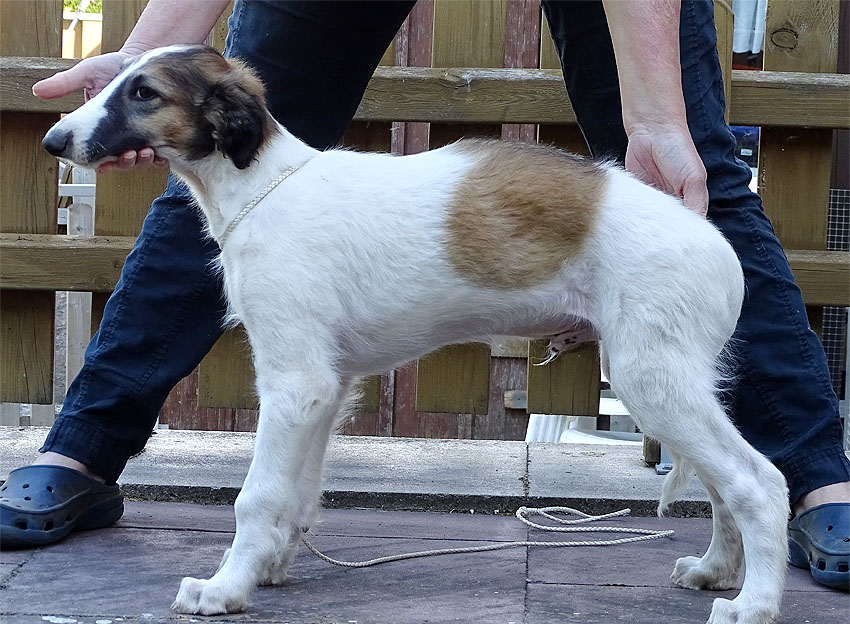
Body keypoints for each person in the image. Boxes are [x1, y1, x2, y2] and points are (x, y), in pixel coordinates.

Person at [1, 0, 847, 590]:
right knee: (673, 396)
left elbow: (301, 392)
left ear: (225, 118)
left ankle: (810, 481)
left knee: (691, 201)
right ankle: (87, 449)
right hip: (278, 188)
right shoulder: (268, 193)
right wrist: (143, 59)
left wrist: (658, 118)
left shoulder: (258, 163)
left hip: (636, 247)